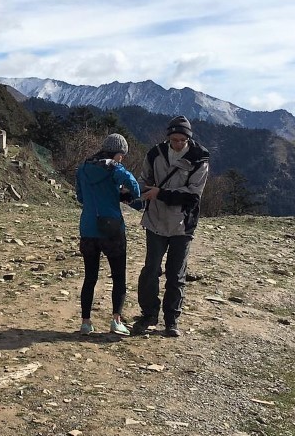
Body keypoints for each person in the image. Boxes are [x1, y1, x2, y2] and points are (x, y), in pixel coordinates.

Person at [131, 116, 209, 337]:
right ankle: (148, 314)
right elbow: (143, 179)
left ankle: (171, 320)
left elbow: (194, 195)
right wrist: (136, 191)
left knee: (176, 274)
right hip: (155, 220)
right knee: (150, 271)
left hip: (182, 226)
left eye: (181, 140)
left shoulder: (199, 158)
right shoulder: (155, 153)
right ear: (168, 137)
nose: (177, 143)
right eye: (174, 139)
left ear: (188, 138)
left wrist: (160, 193)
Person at [75, 133, 141, 336]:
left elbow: (80, 197)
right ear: (118, 153)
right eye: (122, 155)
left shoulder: (84, 168)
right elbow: (136, 189)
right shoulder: (115, 168)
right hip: (112, 229)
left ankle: (86, 323)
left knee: (90, 277)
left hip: (88, 228)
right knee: (119, 276)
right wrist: (121, 193)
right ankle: (116, 320)